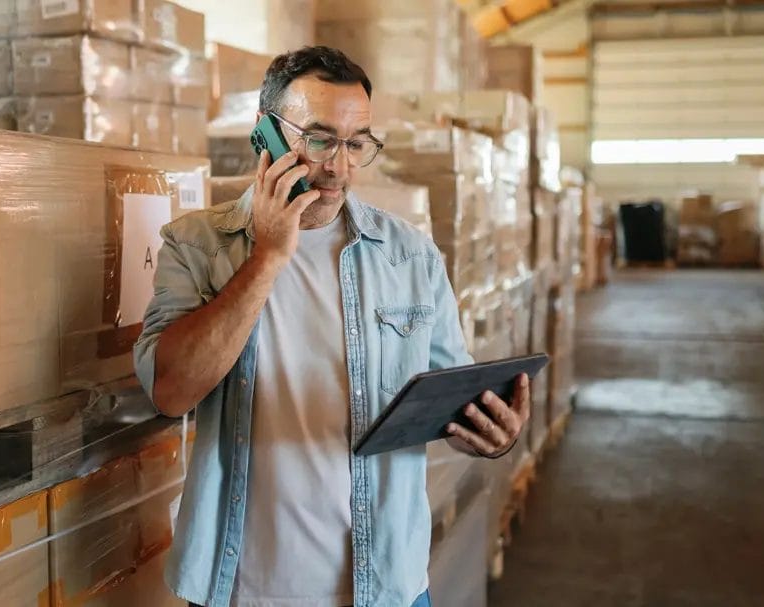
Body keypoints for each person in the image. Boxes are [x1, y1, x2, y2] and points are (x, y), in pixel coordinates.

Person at [134, 46, 530, 607]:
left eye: (357, 143)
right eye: (319, 138)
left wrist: (492, 432)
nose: (339, 166)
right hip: (243, 589)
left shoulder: (410, 257)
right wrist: (269, 256)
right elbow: (170, 390)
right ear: (265, 133)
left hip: (386, 586)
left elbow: (448, 402)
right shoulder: (196, 246)